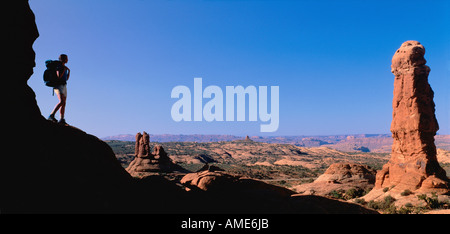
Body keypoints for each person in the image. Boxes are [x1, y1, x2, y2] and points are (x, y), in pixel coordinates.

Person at [48, 54, 70, 124]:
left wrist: (68, 71)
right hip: (58, 86)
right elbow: (59, 76)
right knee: (61, 101)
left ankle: (62, 119)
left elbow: (66, 78)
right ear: (63, 59)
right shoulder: (59, 66)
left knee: (64, 103)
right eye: (66, 58)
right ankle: (51, 115)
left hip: (64, 85)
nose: (67, 59)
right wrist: (64, 69)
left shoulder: (64, 67)